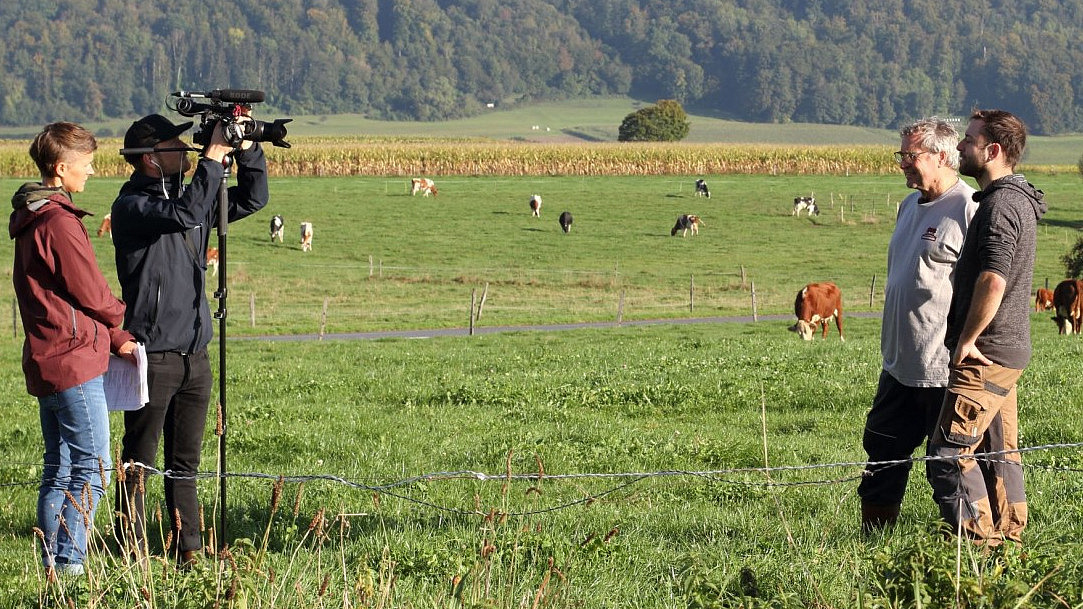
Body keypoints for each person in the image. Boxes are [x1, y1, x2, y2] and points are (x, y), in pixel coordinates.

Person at [111, 114, 269, 565]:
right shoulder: (132, 207)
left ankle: (189, 553)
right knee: (138, 462)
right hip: (151, 354)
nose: (183, 151)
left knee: (186, 464)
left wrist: (246, 148)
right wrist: (212, 159)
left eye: (185, 145)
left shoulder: (190, 200)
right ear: (148, 159)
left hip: (195, 354)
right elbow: (184, 213)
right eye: (173, 146)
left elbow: (254, 198)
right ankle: (131, 553)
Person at [10, 122, 137, 575]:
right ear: (61, 169)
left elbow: (64, 299)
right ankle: (70, 566)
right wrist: (123, 318)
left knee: (59, 467)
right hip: (73, 362)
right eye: (86, 164)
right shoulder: (59, 222)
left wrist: (114, 338)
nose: (92, 172)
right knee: (94, 469)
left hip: (48, 357)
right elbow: (90, 293)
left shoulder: (32, 217)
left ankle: (51, 567)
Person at [926, 109, 1046, 545]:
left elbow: (993, 279)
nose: (959, 147)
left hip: (987, 352)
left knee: (947, 455)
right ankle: (1010, 542)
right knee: (1000, 453)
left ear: (992, 151)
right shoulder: (1017, 201)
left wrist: (968, 339)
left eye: (969, 141)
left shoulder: (1000, 206)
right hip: (1008, 349)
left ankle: (977, 546)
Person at [858, 118, 978, 533]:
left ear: (943, 157)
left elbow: (983, 287)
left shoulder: (968, 208)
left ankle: (970, 551)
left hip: (941, 368)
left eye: (912, 156)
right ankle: (874, 543)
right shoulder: (907, 206)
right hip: (898, 364)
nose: (903, 164)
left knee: (949, 468)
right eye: (902, 155)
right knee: (881, 457)